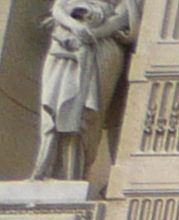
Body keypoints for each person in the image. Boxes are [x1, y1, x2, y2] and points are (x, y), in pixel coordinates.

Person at [29, 0, 135, 183]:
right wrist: (75, 27)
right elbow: (59, 8)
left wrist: (89, 34)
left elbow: (122, 17)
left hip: (100, 50)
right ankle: (44, 168)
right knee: (53, 110)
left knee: (84, 117)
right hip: (64, 46)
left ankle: (73, 174)